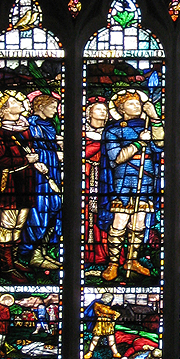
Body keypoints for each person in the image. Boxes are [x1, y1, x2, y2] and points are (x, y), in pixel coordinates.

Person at [98, 89, 163, 282]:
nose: (137, 106)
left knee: (139, 223)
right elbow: (116, 158)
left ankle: (132, 260)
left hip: (147, 177)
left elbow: (160, 144)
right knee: (120, 221)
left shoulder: (147, 125)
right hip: (124, 179)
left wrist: (156, 120)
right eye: (131, 103)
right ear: (121, 109)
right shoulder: (113, 129)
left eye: (138, 103)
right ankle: (113, 263)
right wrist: (138, 143)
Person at [0, 92, 40, 282]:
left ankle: (14, 259)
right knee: (7, 225)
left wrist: (34, 162)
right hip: (8, 181)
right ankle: (6, 266)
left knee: (19, 224)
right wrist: (25, 159)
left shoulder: (24, 129)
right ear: (4, 110)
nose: (21, 102)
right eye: (15, 102)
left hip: (26, 180)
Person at [20, 93, 62, 270]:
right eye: (52, 106)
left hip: (51, 166)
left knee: (55, 206)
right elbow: (25, 147)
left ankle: (41, 251)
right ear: (41, 107)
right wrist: (37, 162)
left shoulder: (49, 125)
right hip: (38, 172)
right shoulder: (31, 124)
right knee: (40, 208)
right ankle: (32, 254)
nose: (55, 110)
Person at [84, 97, 109, 265]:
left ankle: (106, 255)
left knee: (105, 214)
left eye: (105, 110)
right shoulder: (81, 133)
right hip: (86, 179)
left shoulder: (112, 133)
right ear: (89, 112)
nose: (103, 112)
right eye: (99, 109)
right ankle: (89, 255)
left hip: (106, 179)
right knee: (87, 215)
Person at [83, 292, 121, 359]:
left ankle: (115, 353)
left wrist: (114, 316)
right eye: (109, 299)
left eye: (111, 299)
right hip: (100, 323)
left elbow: (111, 314)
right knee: (95, 338)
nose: (110, 300)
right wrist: (114, 313)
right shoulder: (97, 304)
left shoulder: (108, 306)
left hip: (108, 323)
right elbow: (105, 310)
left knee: (111, 339)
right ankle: (90, 352)